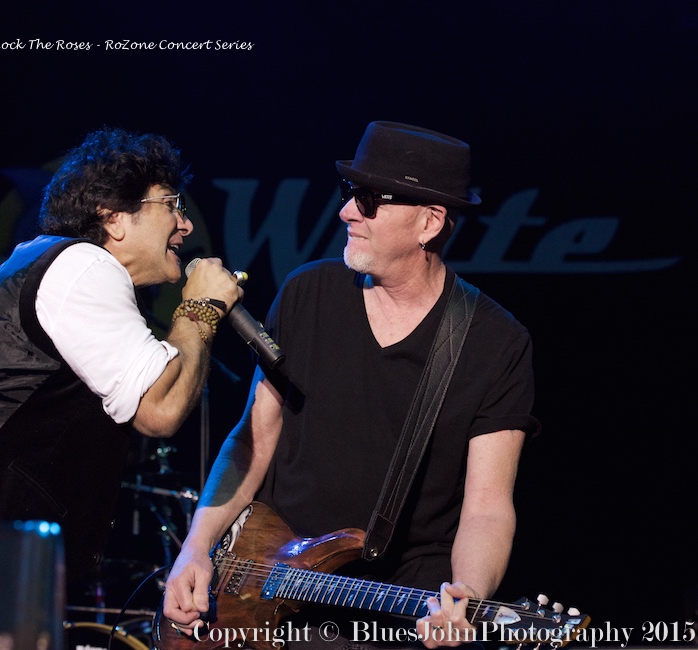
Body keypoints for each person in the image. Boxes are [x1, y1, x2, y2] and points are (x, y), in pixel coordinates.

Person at [162, 121, 540, 648]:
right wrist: (196, 547)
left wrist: (467, 595)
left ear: (429, 222)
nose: (346, 212)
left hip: (393, 612)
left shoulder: (495, 342)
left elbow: (487, 507)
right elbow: (252, 440)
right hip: (265, 589)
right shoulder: (307, 292)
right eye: (349, 192)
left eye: (369, 200)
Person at [0, 126, 242, 582]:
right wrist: (202, 307)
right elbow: (160, 408)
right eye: (171, 204)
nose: (186, 224)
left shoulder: (14, 274)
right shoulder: (88, 265)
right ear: (114, 218)